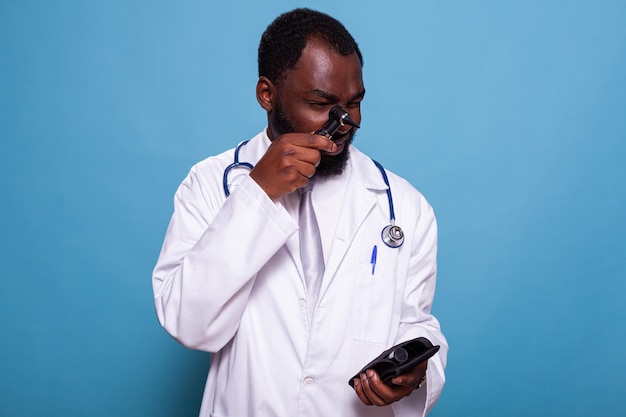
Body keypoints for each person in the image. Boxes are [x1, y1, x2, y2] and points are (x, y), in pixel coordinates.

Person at [152, 8, 447, 417]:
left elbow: (416, 325)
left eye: (355, 103)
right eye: (321, 103)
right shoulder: (209, 184)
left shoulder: (404, 205)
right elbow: (188, 323)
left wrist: (415, 376)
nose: (345, 122)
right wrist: (257, 194)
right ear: (267, 94)